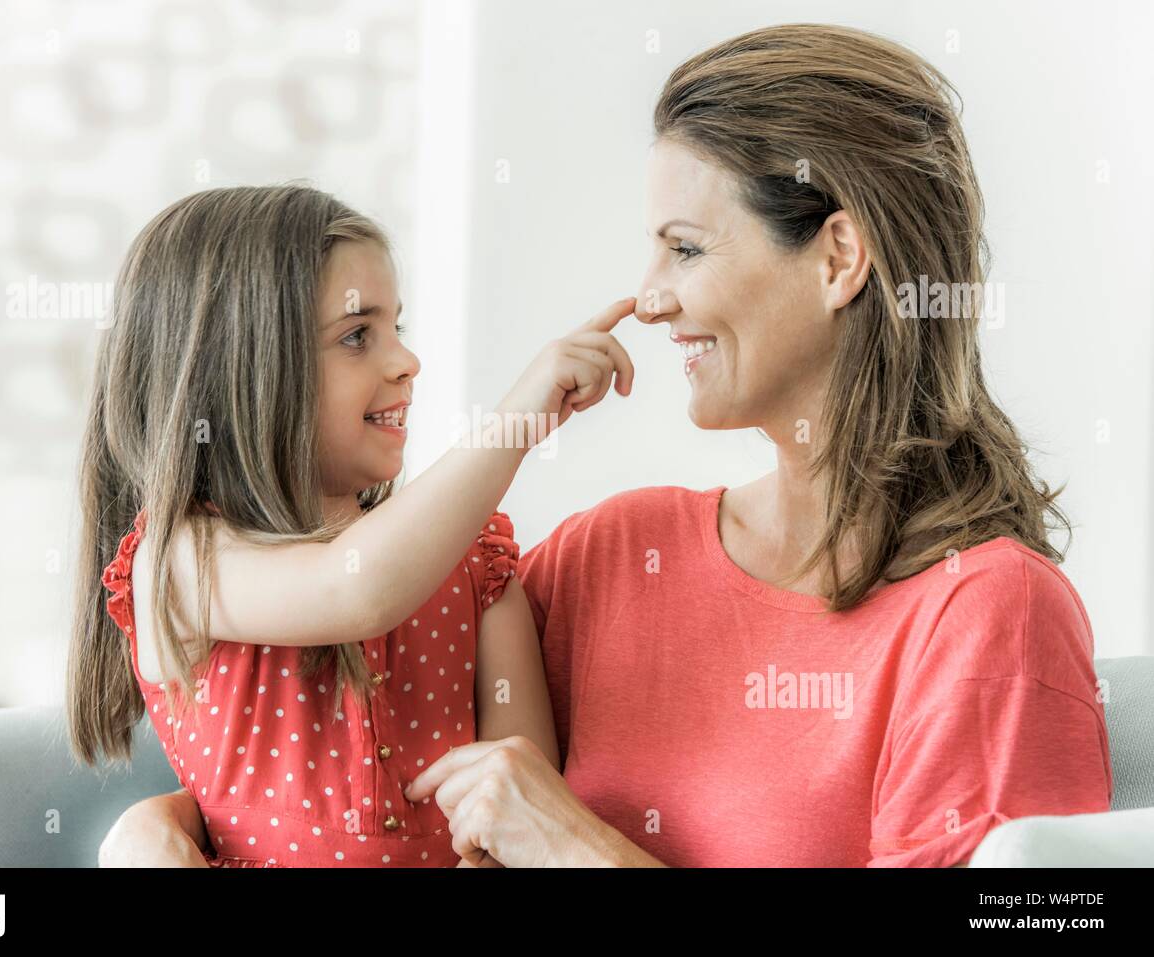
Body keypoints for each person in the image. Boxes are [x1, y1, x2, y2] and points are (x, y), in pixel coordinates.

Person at [98, 24, 1113, 868]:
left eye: (684, 247)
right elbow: (330, 730)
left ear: (837, 257)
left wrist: (587, 854)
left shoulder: (988, 616)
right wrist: (153, 828)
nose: (651, 296)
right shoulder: (617, 558)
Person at [68, 182, 638, 866]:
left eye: (398, 327)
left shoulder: (476, 569)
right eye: (357, 335)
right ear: (241, 370)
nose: (405, 361)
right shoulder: (182, 562)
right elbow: (354, 590)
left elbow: (522, 812)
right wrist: (518, 419)